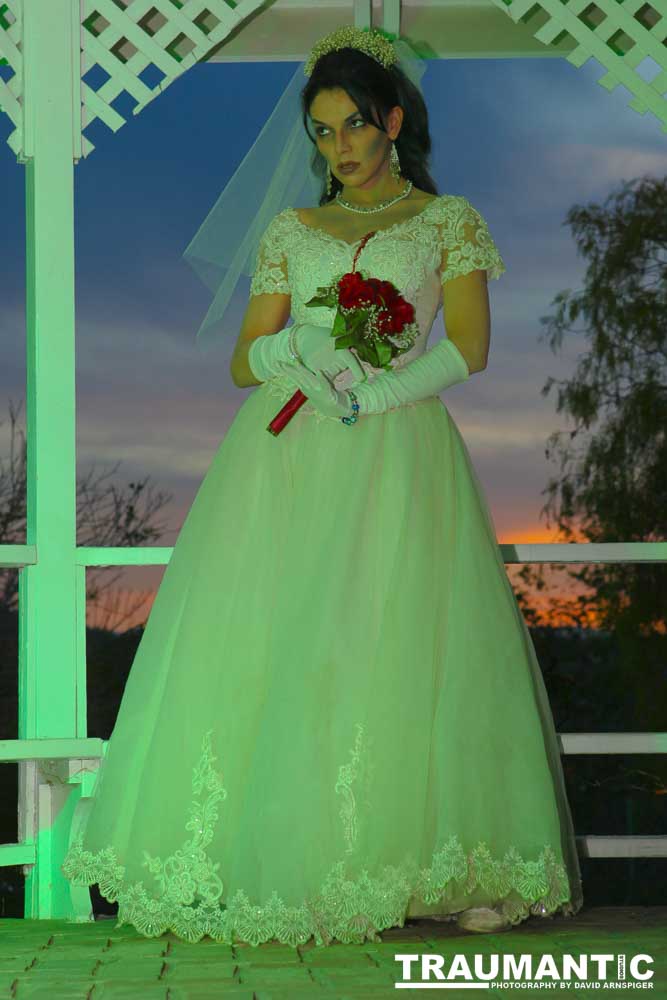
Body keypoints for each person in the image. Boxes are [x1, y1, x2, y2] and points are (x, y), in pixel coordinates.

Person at [61, 26, 583, 947]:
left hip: (395, 450)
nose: (336, 147)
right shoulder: (290, 231)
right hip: (284, 458)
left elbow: (468, 345)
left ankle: (427, 862)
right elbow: (239, 359)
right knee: (274, 641)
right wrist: (293, 354)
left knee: (393, 641)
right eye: (319, 130)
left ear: (391, 121)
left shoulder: (446, 221)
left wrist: (381, 388)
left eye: (350, 125)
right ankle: (275, 862)